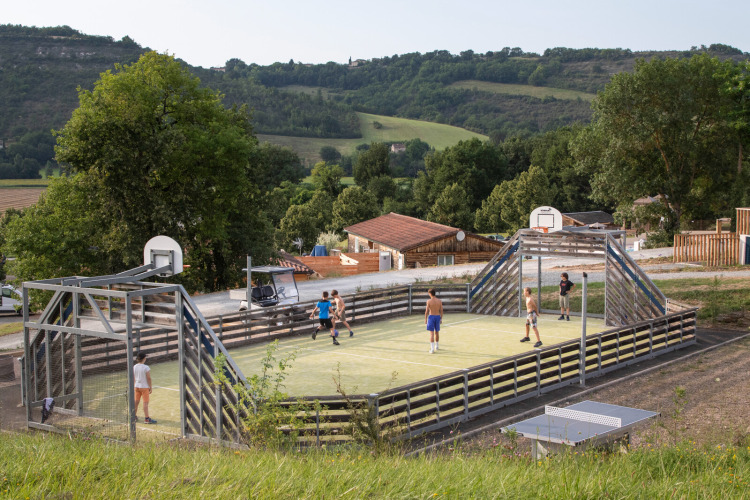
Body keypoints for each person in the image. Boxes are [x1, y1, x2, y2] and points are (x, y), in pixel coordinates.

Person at [133, 353, 157, 424]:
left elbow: (134, 377)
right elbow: (148, 378)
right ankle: (147, 418)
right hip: (144, 388)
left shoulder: (134, 366)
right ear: (144, 359)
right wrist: (150, 387)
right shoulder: (146, 367)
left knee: (136, 402)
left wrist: (135, 384)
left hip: (136, 387)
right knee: (145, 403)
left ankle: (133, 416)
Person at [424, 288, 443, 354]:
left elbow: (426, 311)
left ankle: (432, 349)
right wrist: (441, 318)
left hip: (431, 317)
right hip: (437, 316)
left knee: (431, 333)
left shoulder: (429, 301)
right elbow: (441, 310)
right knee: (437, 332)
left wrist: (425, 319)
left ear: (430, 293)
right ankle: (436, 346)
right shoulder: (439, 301)